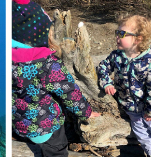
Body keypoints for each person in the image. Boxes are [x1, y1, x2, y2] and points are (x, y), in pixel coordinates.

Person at [11, 0, 100, 156]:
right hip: (47, 125)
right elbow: (69, 91)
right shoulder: (47, 64)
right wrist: (85, 112)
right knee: (57, 151)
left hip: (19, 122)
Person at [96, 14, 151, 157]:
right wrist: (106, 83)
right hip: (130, 108)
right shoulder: (117, 56)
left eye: (122, 33)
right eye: (116, 32)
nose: (117, 36)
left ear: (138, 39)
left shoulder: (150, 63)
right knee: (142, 135)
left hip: (149, 110)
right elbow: (103, 67)